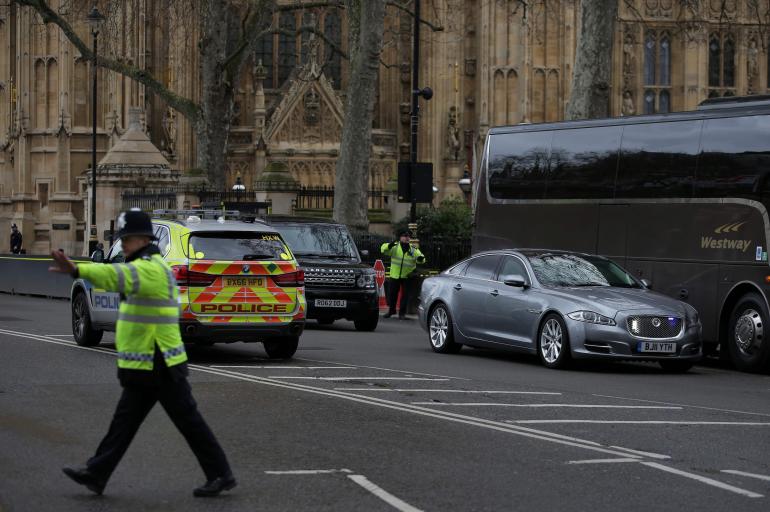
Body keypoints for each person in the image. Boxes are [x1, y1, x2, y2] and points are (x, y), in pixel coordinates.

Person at [49, 209, 235, 498]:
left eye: (127, 238)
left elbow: (116, 276)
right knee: (126, 422)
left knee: (187, 421)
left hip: (160, 362)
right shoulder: (146, 263)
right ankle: (97, 473)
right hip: (148, 362)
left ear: (143, 238)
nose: (122, 244)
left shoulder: (150, 268)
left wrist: (77, 269)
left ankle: (221, 474)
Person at [380, 230, 426, 319]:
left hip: (407, 276)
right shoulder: (395, 247)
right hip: (395, 275)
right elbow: (383, 249)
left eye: (408, 236)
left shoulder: (413, 249)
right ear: (400, 237)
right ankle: (391, 311)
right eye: (404, 236)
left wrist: (420, 258)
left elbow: (421, 258)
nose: (407, 238)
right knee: (392, 294)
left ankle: (402, 313)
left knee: (405, 295)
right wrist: (389, 245)